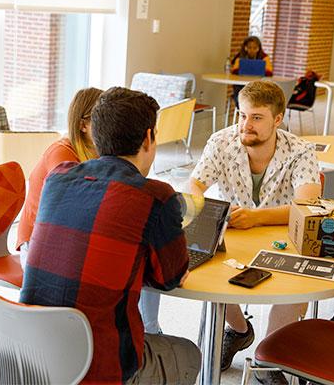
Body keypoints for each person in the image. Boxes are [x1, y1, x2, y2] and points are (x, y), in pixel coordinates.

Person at [20, 87, 201, 384]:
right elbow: (170, 278)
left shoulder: (59, 177)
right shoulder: (156, 196)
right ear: (149, 138)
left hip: (35, 359)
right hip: (99, 368)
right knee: (188, 354)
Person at [190, 80, 321, 385]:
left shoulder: (300, 151)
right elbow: (194, 185)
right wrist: (208, 211)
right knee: (207, 267)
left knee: (293, 288)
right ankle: (238, 331)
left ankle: (269, 359)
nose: (245, 125)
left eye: (256, 118)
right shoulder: (221, 142)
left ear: (278, 119)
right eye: (241, 115)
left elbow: (308, 204)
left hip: (284, 236)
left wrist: (257, 218)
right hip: (234, 231)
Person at [16, 87, 103, 268]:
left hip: (67, 236)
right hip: (37, 243)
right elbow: (70, 209)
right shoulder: (62, 153)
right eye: (102, 120)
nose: (110, 126)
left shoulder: (100, 151)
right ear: (83, 125)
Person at [231, 36, 273, 109]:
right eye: (249, 47)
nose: (252, 50)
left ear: (258, 48)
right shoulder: (240, 56)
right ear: (245, 48)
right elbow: (234, 71)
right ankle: (241, 108)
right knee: (239, 91)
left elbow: (269, 73)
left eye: (255, 48)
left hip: (258, 86)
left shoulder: (264, 57)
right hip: (241, 85)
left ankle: (251, 110)